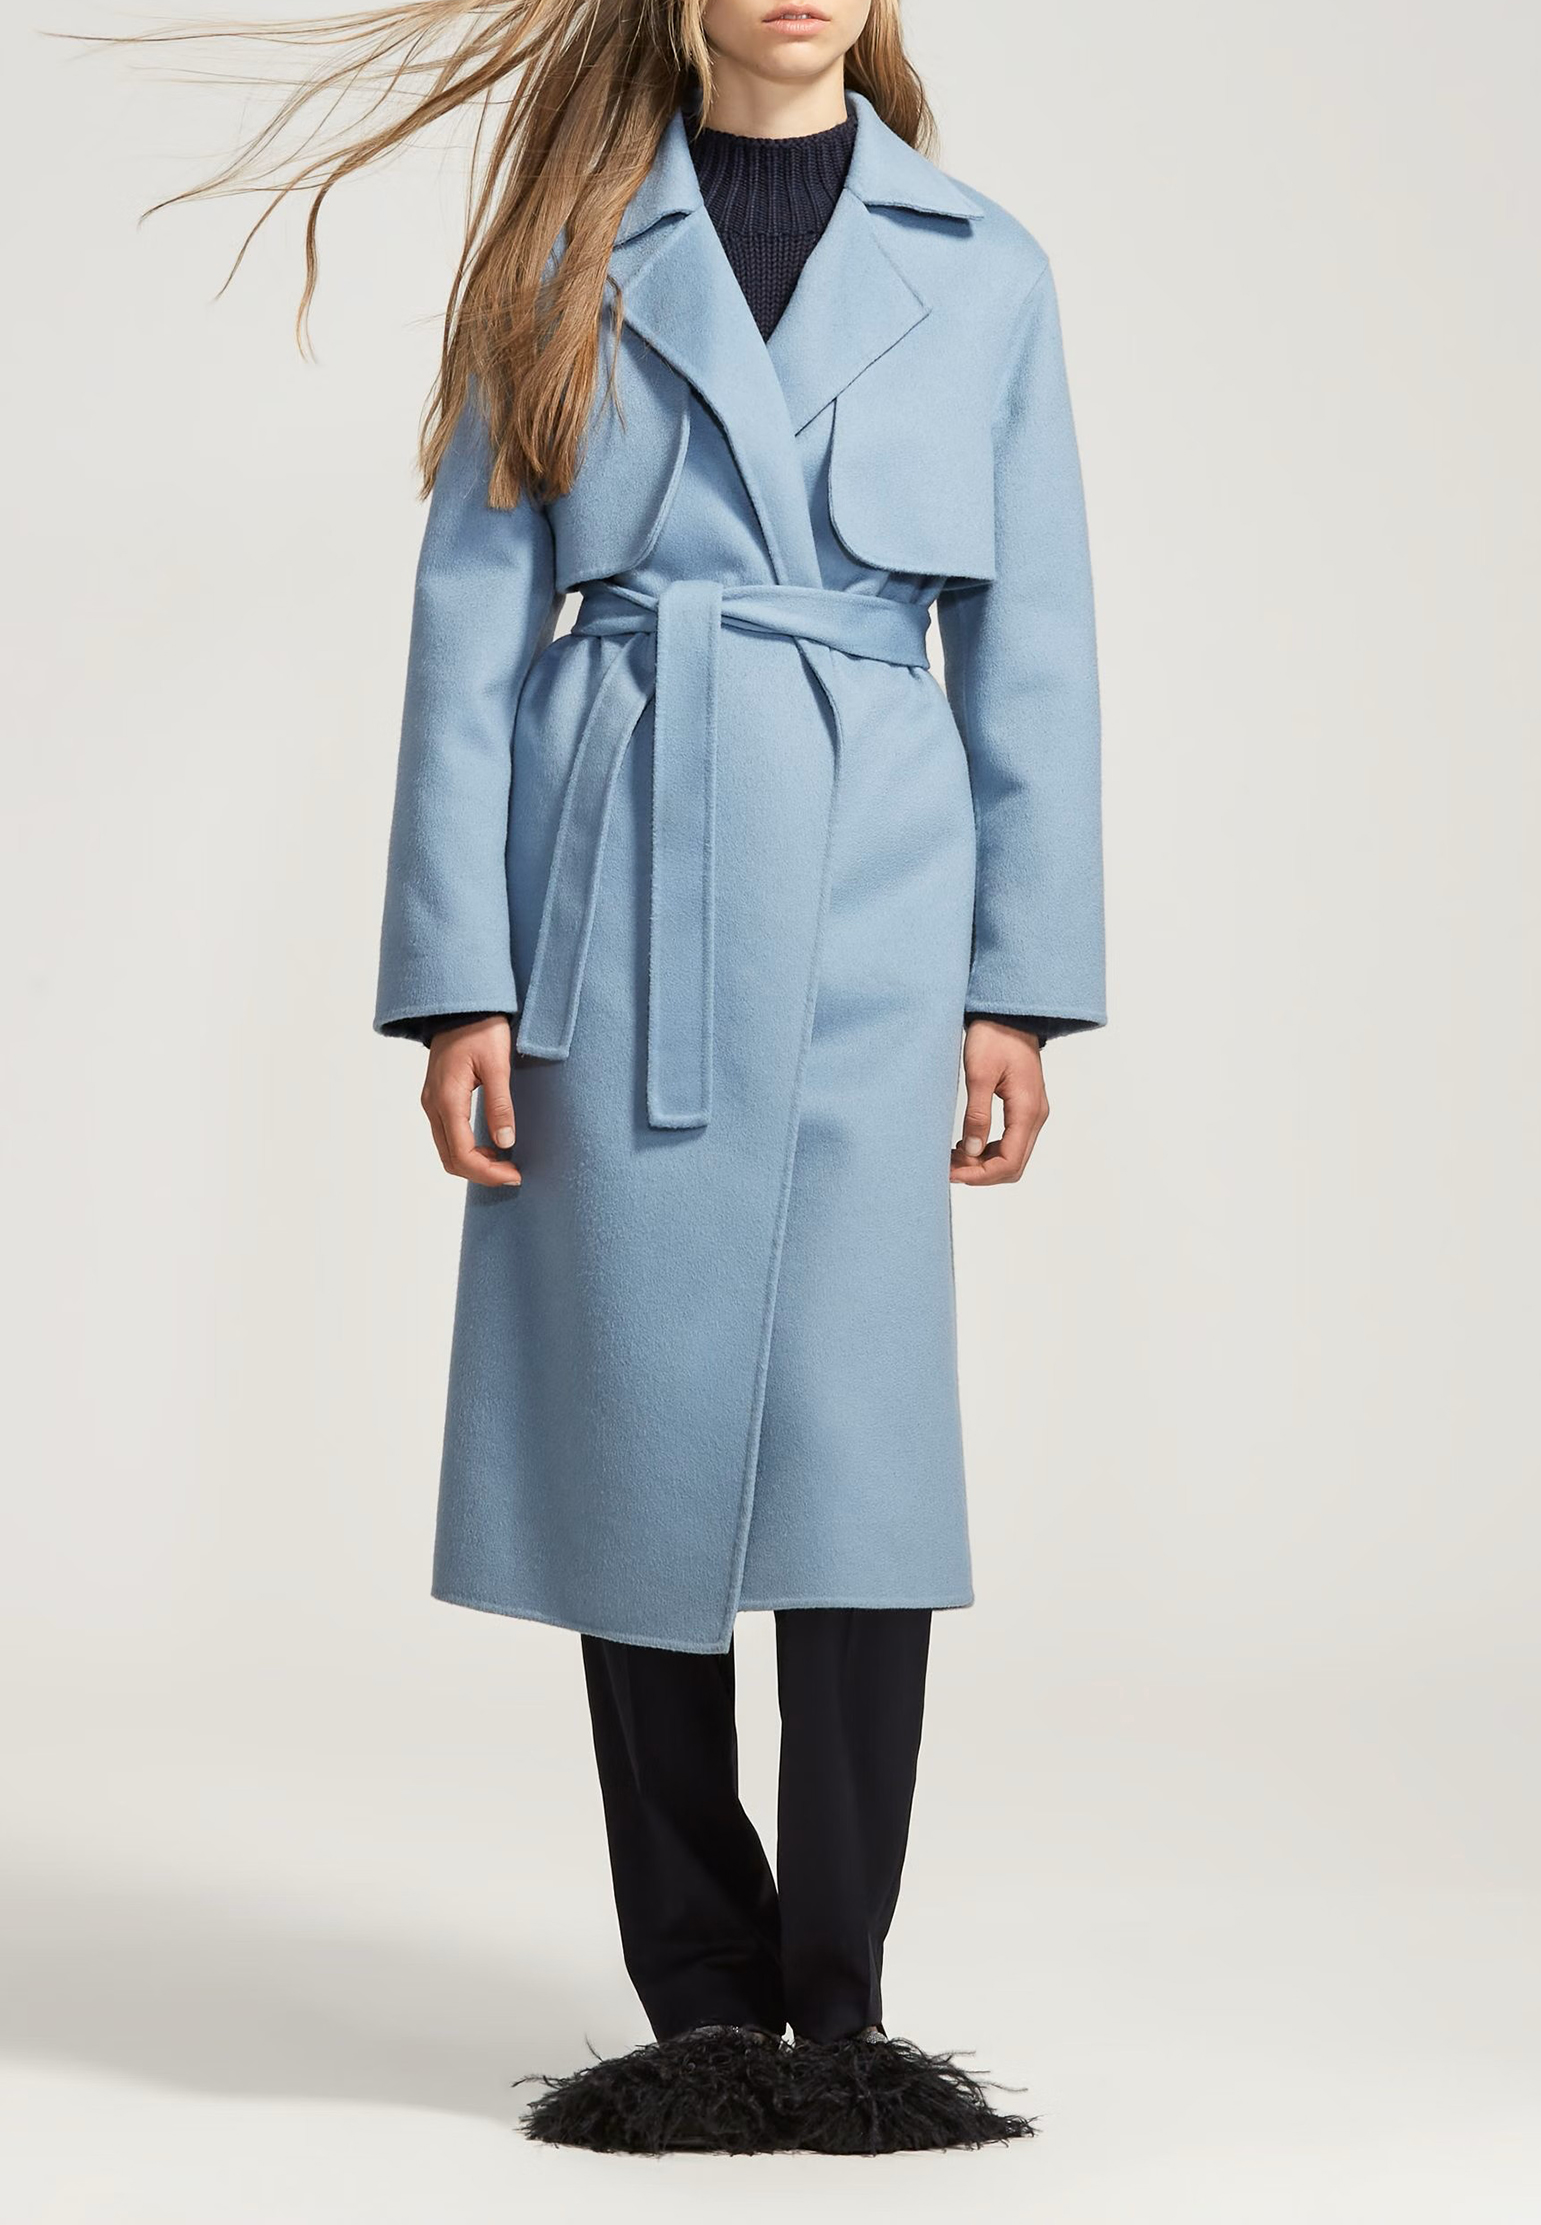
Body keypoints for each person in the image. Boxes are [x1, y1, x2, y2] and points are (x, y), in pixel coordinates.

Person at [127, 0, 1104, 2155]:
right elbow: (468, 626)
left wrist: (1018, 990)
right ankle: (697, 1998)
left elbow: (1032, 643)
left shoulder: (986, 268)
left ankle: (840, 2006)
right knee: (633, 1434)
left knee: (861, 1454)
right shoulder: (562, 250)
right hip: (616, 883)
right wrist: (454, 983)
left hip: (875, 896)